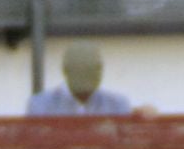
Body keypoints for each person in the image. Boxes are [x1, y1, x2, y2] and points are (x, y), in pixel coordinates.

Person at [26, 43, 157, 118]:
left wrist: (144, 115)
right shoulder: (40, 105)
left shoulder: (117, 103)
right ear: (66, 70)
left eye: (94, 69)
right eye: (79, 68)